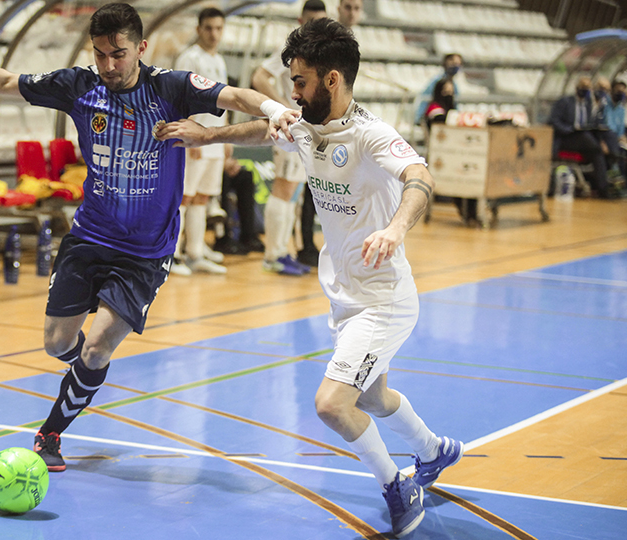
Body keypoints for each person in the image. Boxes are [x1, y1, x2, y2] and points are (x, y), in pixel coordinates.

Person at [0, 2, 298, 472]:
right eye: (101, 54)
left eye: (119, 54)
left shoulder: (171, 87)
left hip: (145, 250)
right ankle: (86, 374)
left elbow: (238, 97)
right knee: (55, 344)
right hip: (90, 236)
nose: (109, 65)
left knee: (98, 346)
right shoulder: (79, 85)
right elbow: (7, 82)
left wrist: (274, 108)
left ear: (141, 49)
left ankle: (50, 432)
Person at [157, 18, 464, 537]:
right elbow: (269, 129)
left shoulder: (371, 135)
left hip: (384, 299)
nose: (290, 92)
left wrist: (393, 228)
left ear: (333, 81)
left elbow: (420, 178)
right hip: (345, 296)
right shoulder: (308, 122)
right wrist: (208, 135)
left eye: (299, 82)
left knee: (331, 404)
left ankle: (399, 487)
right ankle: (435, 451)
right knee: (372, 398)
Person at [250, 0, 328, 275]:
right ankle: (273, 255)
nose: (313, 28)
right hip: (289, 128)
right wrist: (282, 107)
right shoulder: (291, 49)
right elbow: (259, 77)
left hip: (307, 129)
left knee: (293, 192)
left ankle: (283, 252)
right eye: (309, 22)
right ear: (300, 21)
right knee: (283, 189)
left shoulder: (320, 53)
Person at [171, 7, 230, 275]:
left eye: (218, 28)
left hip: (216, 136)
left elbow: (225, 101)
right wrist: (186, 134)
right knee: (184, 196)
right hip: (195, 136)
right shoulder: (189, 57)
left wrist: (227, 135)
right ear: (198, 29)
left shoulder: (220, 60)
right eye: (208, 28)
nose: (214, 33)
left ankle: (195, 251)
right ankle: (172, 254)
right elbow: (180, 97)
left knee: (203, 197)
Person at [425, 77, 478, 225]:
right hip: (441, 155)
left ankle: (472, 214)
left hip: (457, 152)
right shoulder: (433, 108)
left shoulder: (453, 109)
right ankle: (467, 214)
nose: (448, 94)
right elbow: (441, 122)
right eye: (445, 91)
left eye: (451, 91)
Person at [549, 77, 613, 199]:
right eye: (583, 86)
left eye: (588, 87)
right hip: (566, 138)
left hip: (584, 142)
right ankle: (604, 151)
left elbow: (590, 124)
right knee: (589, 140)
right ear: (577, 87)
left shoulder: (588, 106)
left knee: (597, 153)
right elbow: (553, 121)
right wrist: (570, 129)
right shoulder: (565, 102)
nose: (585, 90)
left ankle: (602, 189)